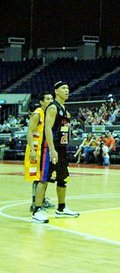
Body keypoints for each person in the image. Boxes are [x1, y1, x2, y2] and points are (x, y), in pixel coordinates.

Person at [32, 81, 80, 224]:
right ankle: (37, 210)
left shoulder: (64, 109)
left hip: (62, 148)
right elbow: (47, 128)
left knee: (62, 178)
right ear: (56, 91)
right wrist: (52, 150)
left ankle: (61, 208)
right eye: (63, 88)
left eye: (68, 88)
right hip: (50, 147)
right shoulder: (53, 107)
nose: (67, 90)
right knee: (44, 178)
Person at [24, 91, 55, 212]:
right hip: (36, 149)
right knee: (37, 177)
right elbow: (29, 132)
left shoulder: (48, 113)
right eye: (47, 99)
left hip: (44, 149)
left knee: (44, 176)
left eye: (52, 98)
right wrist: (32, 149)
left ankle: (41, 199)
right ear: (41, 102)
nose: (50, 101)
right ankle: (34, 202)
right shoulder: (37, 113)